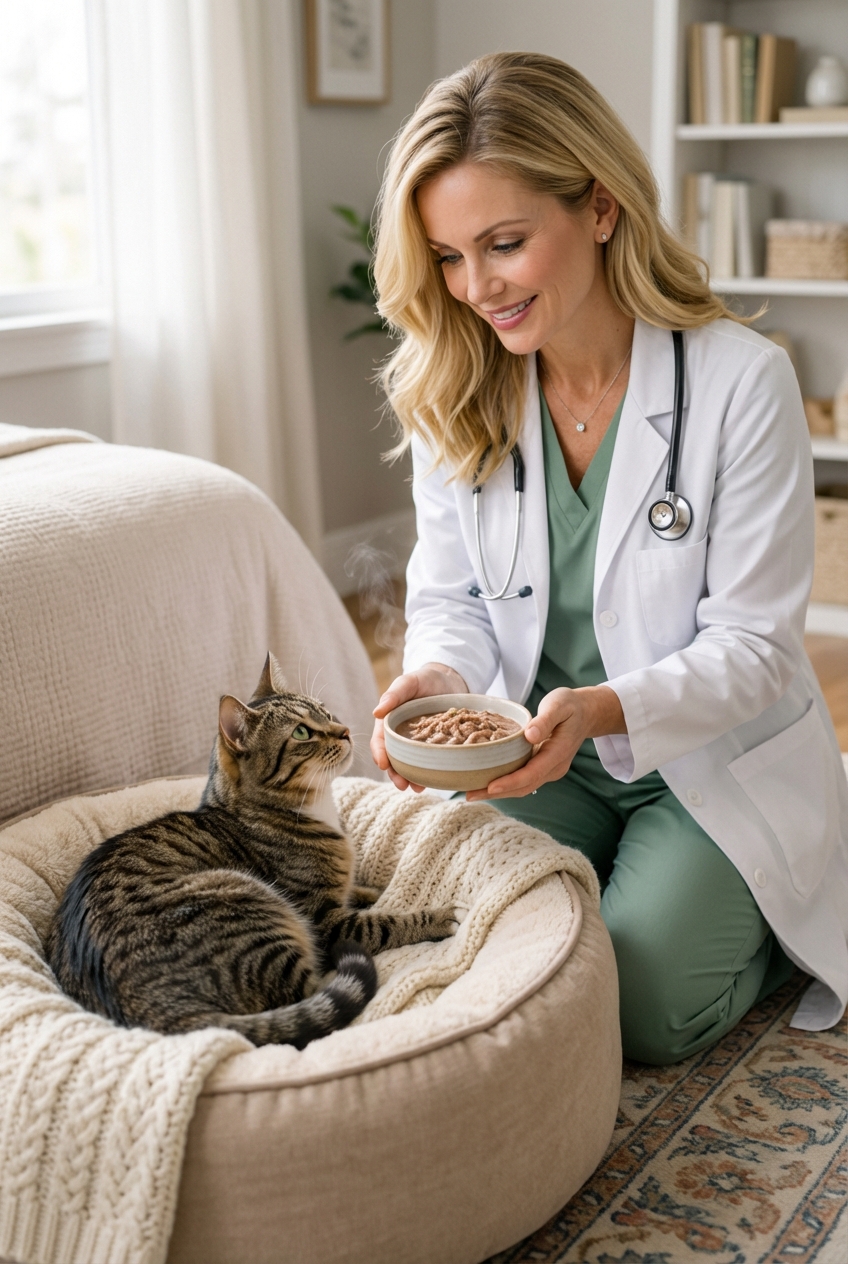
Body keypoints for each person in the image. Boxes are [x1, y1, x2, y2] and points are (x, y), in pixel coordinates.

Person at [367, 52, 848, 1065]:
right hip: (535, 752)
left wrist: (599, 708)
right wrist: (440, 678)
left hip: (706, 756)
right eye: (448, 257)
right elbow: (449, 594)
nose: (475, 288)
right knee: (455, 931)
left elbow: (756, 649)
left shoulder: (740, 383)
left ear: (597, 206)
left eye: (503, 243)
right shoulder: (457, 386)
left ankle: (769, 913)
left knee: (635, 1002)